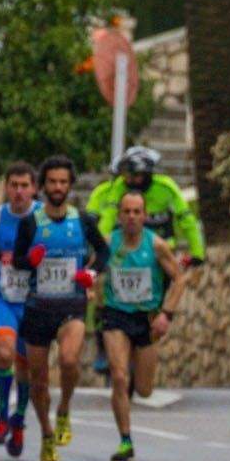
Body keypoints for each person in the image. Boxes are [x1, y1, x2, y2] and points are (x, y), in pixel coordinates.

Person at [11, 155, 108, 461]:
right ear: (43, 186)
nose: (57, 187)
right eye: (52, 181)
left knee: (68, 360)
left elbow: (104, 252)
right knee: (38, 381)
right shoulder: (31, 223)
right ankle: (47, 433)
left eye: (63, 182)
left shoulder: (82, 221)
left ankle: (64, 408)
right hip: (38, 307)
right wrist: (31, 260)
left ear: (70, 185)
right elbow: (17, 261)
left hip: (72, 305)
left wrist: (91, 274)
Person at [85, 146, 204, 374]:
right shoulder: (117, 188)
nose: (131, 181)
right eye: (127, 175)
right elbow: (107, 218)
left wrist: (197, 252)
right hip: (122, 255)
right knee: (101, 295)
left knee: (155, 306)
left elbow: (186, 218)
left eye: (136, 175)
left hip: (157, 259)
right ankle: (102, 344)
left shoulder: (166, 188)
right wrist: (99, 248)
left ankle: (145, 345)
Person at [97, 190, 188, 461]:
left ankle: (133, 377)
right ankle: (125, 439)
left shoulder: (157, 245)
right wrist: (87, 286)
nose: (132, 217)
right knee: (119, 376)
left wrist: (166, 314)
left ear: (145, 216)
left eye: (137, 212)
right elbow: (91, 269)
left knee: (145, 390)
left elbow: (180, 280)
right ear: (120, 216)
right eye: (127, 212)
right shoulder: (109, 243)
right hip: (115, 315)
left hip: (146, 319)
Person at [0, 163, 40, 458]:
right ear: (5, 187)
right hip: (0, 299)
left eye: (24, 185)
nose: (18, 191)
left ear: (34, 188)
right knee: (4, 353)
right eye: (13, 185)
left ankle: (19, 421)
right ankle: (3, 416)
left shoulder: (44, 218)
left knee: (27, 367)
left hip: (32, 303)